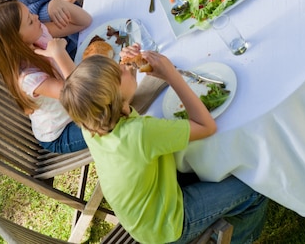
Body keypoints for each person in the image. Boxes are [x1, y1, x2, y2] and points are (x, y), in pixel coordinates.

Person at [60, 46, 269, 244]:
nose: (123, 66)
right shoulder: (139, 134)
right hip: (168, 224)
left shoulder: (93, 123)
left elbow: (122, 99)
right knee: (254, 185)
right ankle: (242, 238)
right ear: (115, 99)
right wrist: (172, 76)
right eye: (119, 71)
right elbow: (206, 127)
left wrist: (131, 67)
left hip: (145, 214)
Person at [0, 0, 91, 154]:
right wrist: (59, 54)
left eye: (30, 13)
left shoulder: (39, 34)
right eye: (30, 21)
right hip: (63, 131)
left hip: (82, 104)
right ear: (15, 42)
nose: (37, 17)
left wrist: (58, 3)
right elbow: (82, 92)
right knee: (117, 115)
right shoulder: (29, 78)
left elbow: (84, 22)